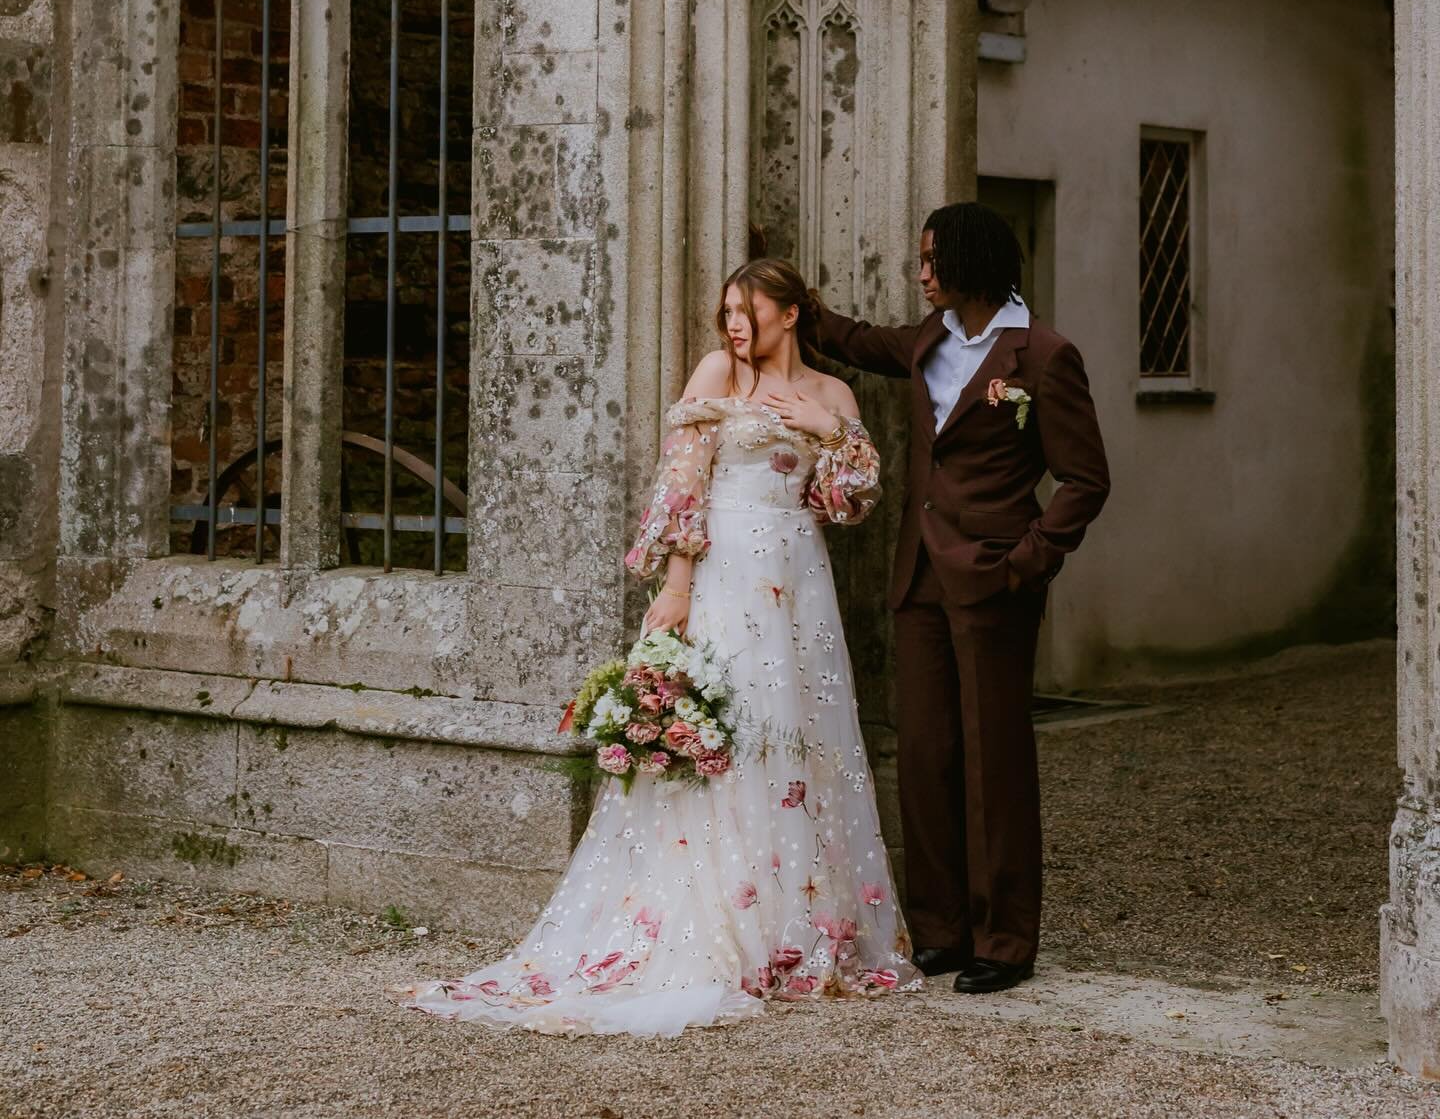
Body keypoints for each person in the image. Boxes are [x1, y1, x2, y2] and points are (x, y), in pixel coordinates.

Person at [399, 257, 920, 1035]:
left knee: (796, 738)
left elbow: (849, 500)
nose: (734, 324)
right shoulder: (718, 372)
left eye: (748, 309)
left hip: (800, 581)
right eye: (728, 311)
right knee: (728, 730)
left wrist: (827, 429)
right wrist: (675, 586)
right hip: (724, 573)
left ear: (791, 313)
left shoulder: (832, 393)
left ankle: (792, 927)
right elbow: (686, 481)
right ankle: (715, 918)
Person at [812, 201, 1110, 994]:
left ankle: (1004, 940)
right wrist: (787, 299)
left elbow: (1086, 479)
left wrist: (1025, 563)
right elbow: (853, 338)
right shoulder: (928, 340)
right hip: (919, 581)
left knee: (995, 762)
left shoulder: (1043, 354)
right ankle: (940, 929)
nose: (920, 273)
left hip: (992, 584)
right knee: (926, 754)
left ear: (971, 262)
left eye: (931, 260)